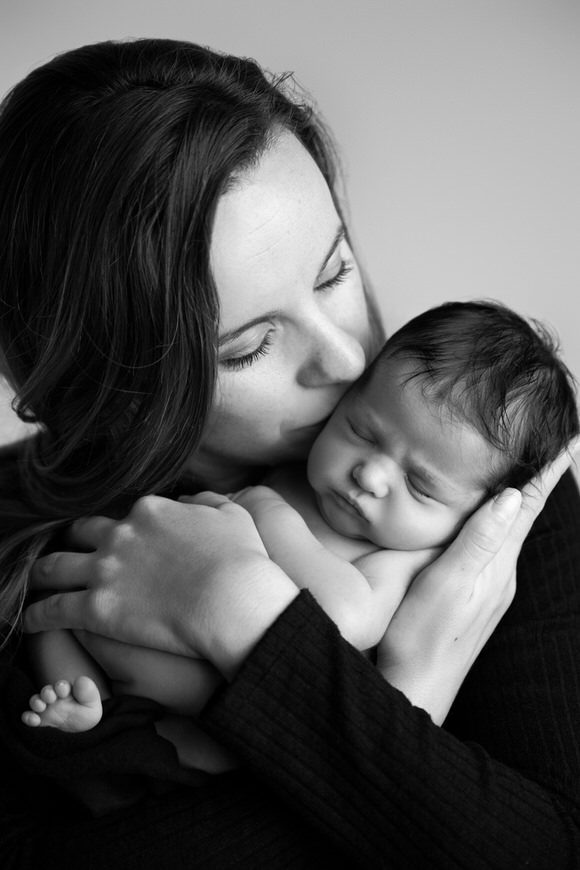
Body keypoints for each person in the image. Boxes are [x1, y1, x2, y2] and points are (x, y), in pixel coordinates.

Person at [0, 37, 578, 868]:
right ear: (112, 384)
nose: (345, 360)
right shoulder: (21, 553)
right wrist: (405, 702)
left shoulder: (477, 478)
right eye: (247, 347)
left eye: (334, 269)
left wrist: (238, 609)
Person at [20, 299, 579, 749]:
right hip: (125, 623)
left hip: (213, 699)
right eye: (362, 431)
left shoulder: (406, 561)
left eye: (421, 485)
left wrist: (264, 512)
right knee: (49, 614)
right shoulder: (291, 466)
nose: (371, 475)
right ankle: (78, 701)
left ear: (478, 514)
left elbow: (348, 618)